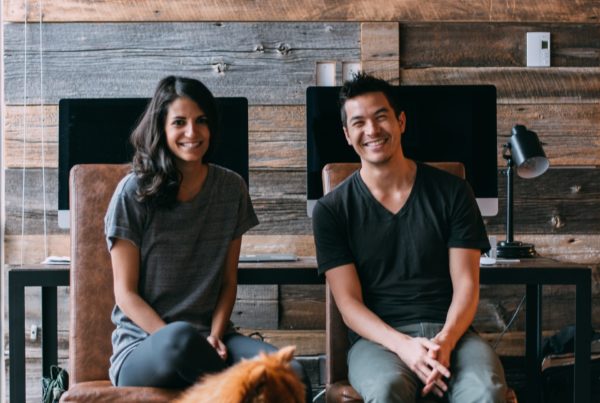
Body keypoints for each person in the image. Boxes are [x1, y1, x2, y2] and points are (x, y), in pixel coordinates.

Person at [104, 76, 312, 401]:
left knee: (291, 373)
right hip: (146, 345)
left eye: (201, 121)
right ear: (161, 128)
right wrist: (195, 343)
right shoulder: (133, 192)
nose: (192, 132)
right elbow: (125, 293)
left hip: (213, 339)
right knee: (182, 340)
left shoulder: (231, 189)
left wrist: (215, 336)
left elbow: (228, 282)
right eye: (179, 122)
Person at [312, 73, 507, 403]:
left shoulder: (454, 192)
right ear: (347, 135)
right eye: (358, 122)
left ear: (401, 121)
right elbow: (349, 306)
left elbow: (467, 286)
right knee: (389, 390)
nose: (372, 130)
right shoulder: (331, 210)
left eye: (381, 117)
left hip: (454, 336)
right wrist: (404, 346)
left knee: (486, 392)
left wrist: (445, 341)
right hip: (379, 343)